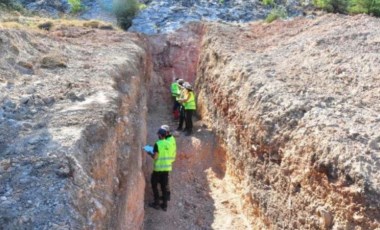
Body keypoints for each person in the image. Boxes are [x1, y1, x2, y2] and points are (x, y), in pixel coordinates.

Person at [145, 128, 174, 211]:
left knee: (154, 185)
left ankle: (156, 203)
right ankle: (164, 205)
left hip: (158, 170)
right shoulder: (169, 143)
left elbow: (155, 157)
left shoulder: (158, 144)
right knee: (164, 187)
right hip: (166, 169)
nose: (158, 135)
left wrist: (149, 152)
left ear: (160, 135)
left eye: (158, 134)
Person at [160, 125, 176, 201]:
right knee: (166, 180)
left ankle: (165, 198)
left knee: (165, 181)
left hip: (166, 163)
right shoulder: (170, 138)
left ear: (166, 132)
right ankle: (166, 196)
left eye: (162, 132)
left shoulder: (167, 142)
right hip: (168, 161)